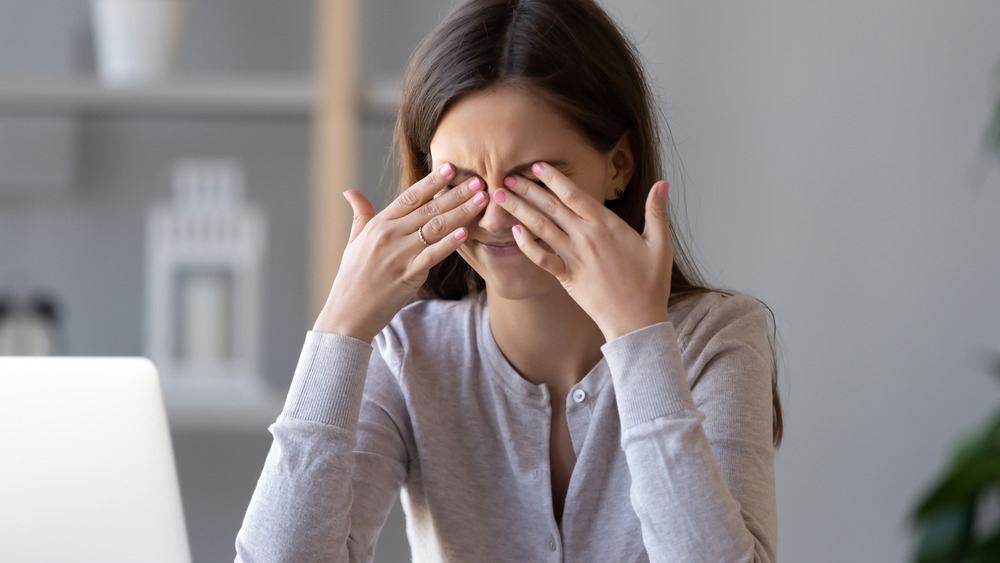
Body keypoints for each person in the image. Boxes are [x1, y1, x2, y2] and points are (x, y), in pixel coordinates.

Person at [236, 0, 782, 561]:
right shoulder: (408, 352)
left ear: (618, 164)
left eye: (530, 179)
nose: (494, 218)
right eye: (463, 181)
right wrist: (340, 330)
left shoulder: (716, 338)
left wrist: (638, 335)